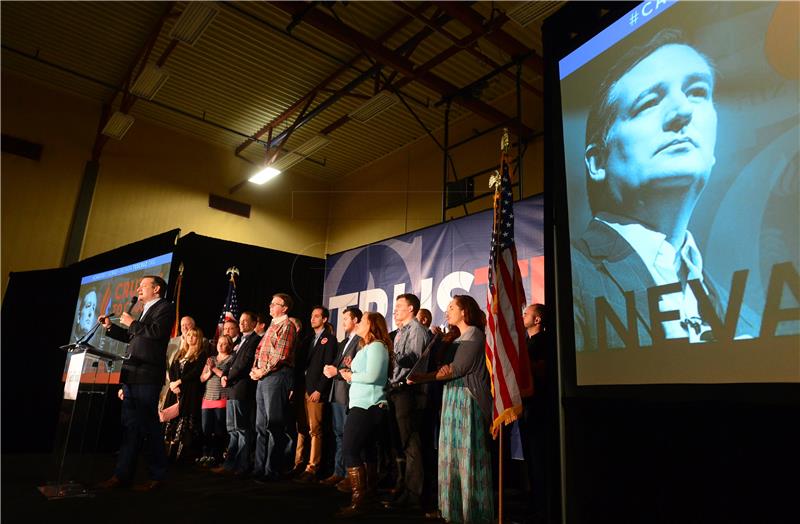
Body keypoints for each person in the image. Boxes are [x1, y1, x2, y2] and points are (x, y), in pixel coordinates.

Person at [573, 29, 754, 351]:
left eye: (697, 92)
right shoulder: (571, 277)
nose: (683, 111)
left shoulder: (751, 320)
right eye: (649, 102)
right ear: (598, 161)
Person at [410, 295, 493, 523]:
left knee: (467, 459)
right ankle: (451, 510)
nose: (446, 311)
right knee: (450, 458)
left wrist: (421, 379)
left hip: (467, 403)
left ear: (464, 311)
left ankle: (473, 513)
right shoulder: (454, 337)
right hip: (451, 400)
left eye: (451, 307)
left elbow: (455, 369)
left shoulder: (474, 335)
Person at [96, 275, 174, 491]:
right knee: (131, 428)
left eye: (143, 286)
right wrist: (111, 328)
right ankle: (122, 476)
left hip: (147, 376)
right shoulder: (145, 311)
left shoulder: (164, 308)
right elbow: (135, 338)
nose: (138, 289)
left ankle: (158, 476)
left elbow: (157, 334)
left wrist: (133, 323)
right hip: (132, 375)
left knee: (148, 426)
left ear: (156, 289)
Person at [336, 312, 392, 517]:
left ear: (372, 325)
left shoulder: (377, 346)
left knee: (350, 449)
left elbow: (374, 376)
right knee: (368, 452)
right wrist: (349, 375)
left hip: (369, 405)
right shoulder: (366, 347)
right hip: (362, 404)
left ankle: (359, 500)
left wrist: (351, 376)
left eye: (363, 320)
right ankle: (370, 499)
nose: (358, 323)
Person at [387, 293, 429, 509]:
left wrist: (390, 353)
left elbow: (413, 359)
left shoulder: (417, 330)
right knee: (400, 443)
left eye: (400, 306)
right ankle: (402, 487)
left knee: (411, 443)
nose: (395, 311)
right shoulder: (401, 332)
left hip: (409, 392)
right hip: (395, 390)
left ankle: (414, 495)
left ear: (411, 308)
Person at [249, 293, 297, 482]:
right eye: (270, 303)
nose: (270, 306)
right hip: (263, 377)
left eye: (274, 304)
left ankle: (272, 470)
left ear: (284, 308)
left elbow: (281, 355)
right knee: (260, 426)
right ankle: (259, 468)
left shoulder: (288, 326)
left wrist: (262, 371)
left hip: (276, 377)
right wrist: (255, 369)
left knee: (273, 425)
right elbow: (260, 350)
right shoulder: (272, 326)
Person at [212, 311, 261, 477]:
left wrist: (229, 377)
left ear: (254, 323)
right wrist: (225, 374)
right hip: (232, 388)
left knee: (242, 429)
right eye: (241, 321)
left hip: (243, 389)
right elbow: (231, 361)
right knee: (232, 429)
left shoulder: (255, 340)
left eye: (246, 321)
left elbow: (245, 364)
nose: (242, 323)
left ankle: (242, 465)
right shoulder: (239, 341)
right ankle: (229, 464)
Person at [292, 306, 337, 482]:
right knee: (301, 427)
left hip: (315, 390)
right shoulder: (308, 339)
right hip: (302, 388)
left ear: (325, 319)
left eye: (317, 316)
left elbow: (327, 366)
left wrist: (319, 389)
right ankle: (298, 463)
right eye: (311, 316)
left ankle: (313, 467)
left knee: (315, 429)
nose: (313, 319)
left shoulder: (330, 339)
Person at [321, 306, 362, 488]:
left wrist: (335, 371)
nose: (343, 322)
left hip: (348, 393)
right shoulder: (344, 341)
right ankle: (338, 472)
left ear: (355, 320)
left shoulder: (360, 342)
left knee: (348, 436)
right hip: (336, 392)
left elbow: (353, 368)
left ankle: (349, 476)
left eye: (346, 318)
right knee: (338, 434)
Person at [521, 304, 549, 522]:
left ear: (538, 320)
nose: (523, 316)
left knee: (540, 458)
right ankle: (534, 503)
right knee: (530, 458)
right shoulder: (527, 342)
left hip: (540, 406)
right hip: (526, 405)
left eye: (526, 313)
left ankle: (543, 508)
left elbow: (542, 369)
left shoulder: (544, 342)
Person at [163, 326, 206, 462]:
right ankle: (166, 453)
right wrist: (173, 383)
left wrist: (180, 382)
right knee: (171, 419)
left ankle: (180, 456)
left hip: (189, 391)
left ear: (198, 338)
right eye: (188, 335)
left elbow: (196, 372)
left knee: (184, 420)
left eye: (194, 336)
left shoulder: (201, 354)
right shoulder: (181, 352)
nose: (190, 338)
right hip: (174, 390)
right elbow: (172, 369)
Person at [198, 334, 234, 467]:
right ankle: (205, 454)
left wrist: (213, 368)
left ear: (229, 346)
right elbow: (202, 378)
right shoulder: (211, 359)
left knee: (219, 430)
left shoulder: (231, 359)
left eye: (224, 343)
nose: (221, 345)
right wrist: (209, 371)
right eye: (219, 342)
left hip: (221, 397)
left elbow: (227, 377)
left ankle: (216, 456)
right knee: (206, 429)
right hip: (207, 397)